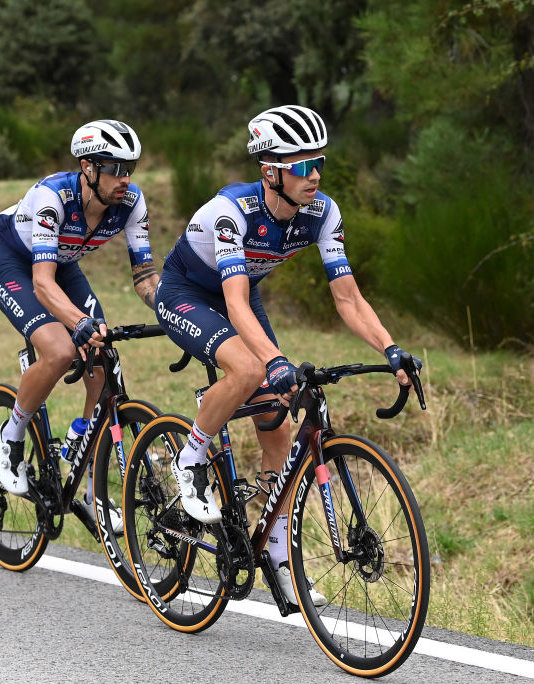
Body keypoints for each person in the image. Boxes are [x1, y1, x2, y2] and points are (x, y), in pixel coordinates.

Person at [154, 104, 423, 606]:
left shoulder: (323, 212)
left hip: (242, 292)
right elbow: (232, 303)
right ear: (270, 172)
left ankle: (275, 550)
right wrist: (274, 361)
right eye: (300, 166)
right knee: (253, 366)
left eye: (317, 163)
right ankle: (189, 459)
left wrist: (390, 348)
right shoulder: (232, 212)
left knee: (277, 424)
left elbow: (347, 297)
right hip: (189, 292)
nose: (313, 175)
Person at [0, 119, 158, 531]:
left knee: (103, 354)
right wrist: (79, 322)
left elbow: (147, 279)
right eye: (115, 168)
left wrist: (177, 316)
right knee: (62, 350)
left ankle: (87, 464)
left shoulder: (131, 202)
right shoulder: (53, 198)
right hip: (15, 264)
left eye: (129, 167)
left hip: (62, 265)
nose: (125, 178)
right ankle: (10, 437)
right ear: (88, 168)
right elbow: (42, 285)